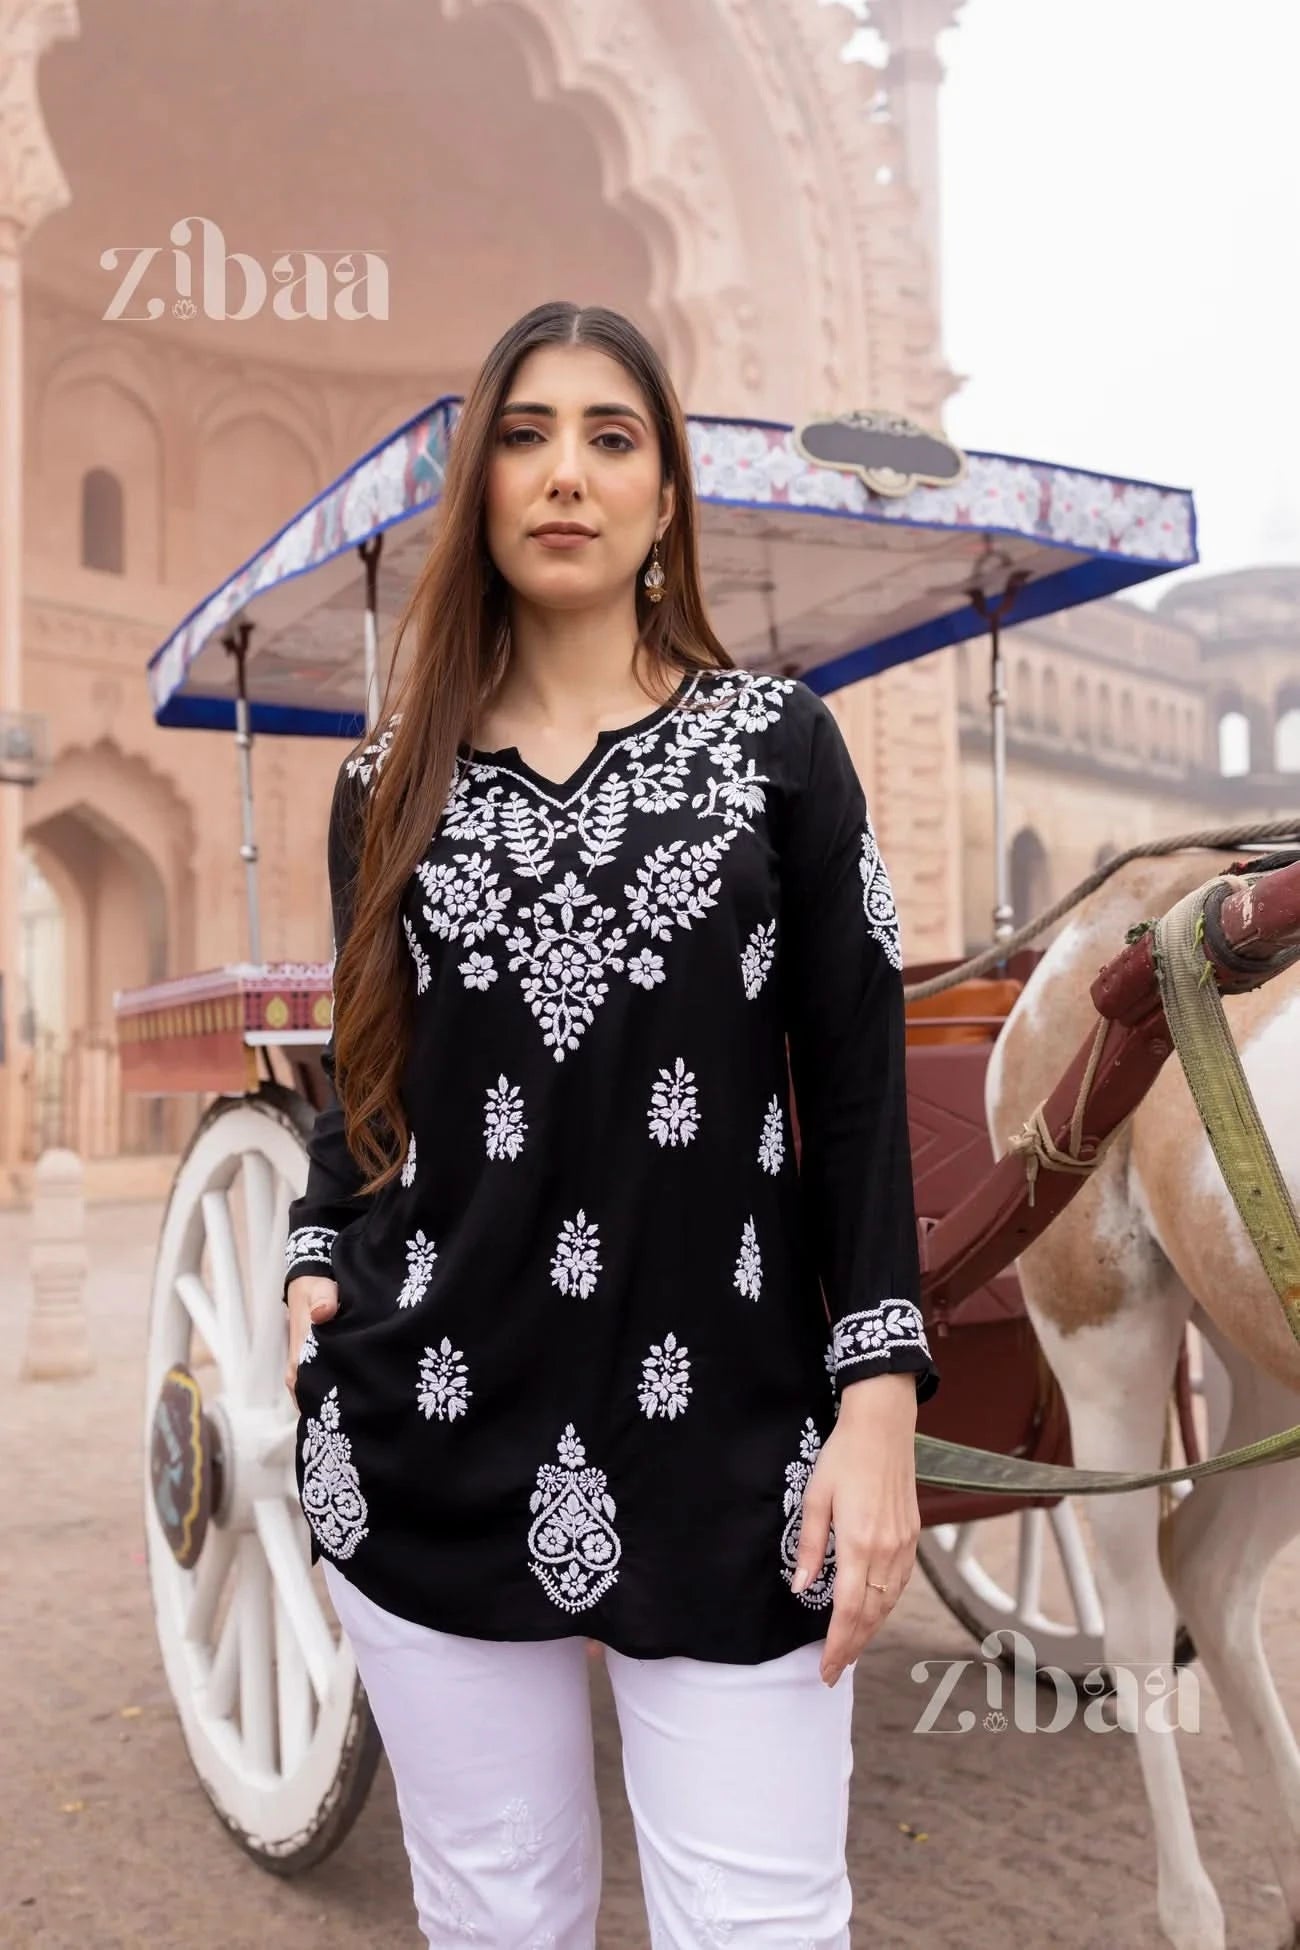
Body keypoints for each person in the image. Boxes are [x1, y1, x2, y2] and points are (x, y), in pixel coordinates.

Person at [282, 299, 939, 1949]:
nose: (563, 472)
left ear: (665, 501)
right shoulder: (387, 785)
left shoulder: (778, 748)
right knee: (500, 1918)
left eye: (610, 435)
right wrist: (316, 1243)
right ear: (478, 493)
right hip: (434, 1424)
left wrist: (877, 1404)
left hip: (733, 1432)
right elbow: (373, 1072)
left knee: (762, 1923)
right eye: (524, 433)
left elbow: (856, 1086)